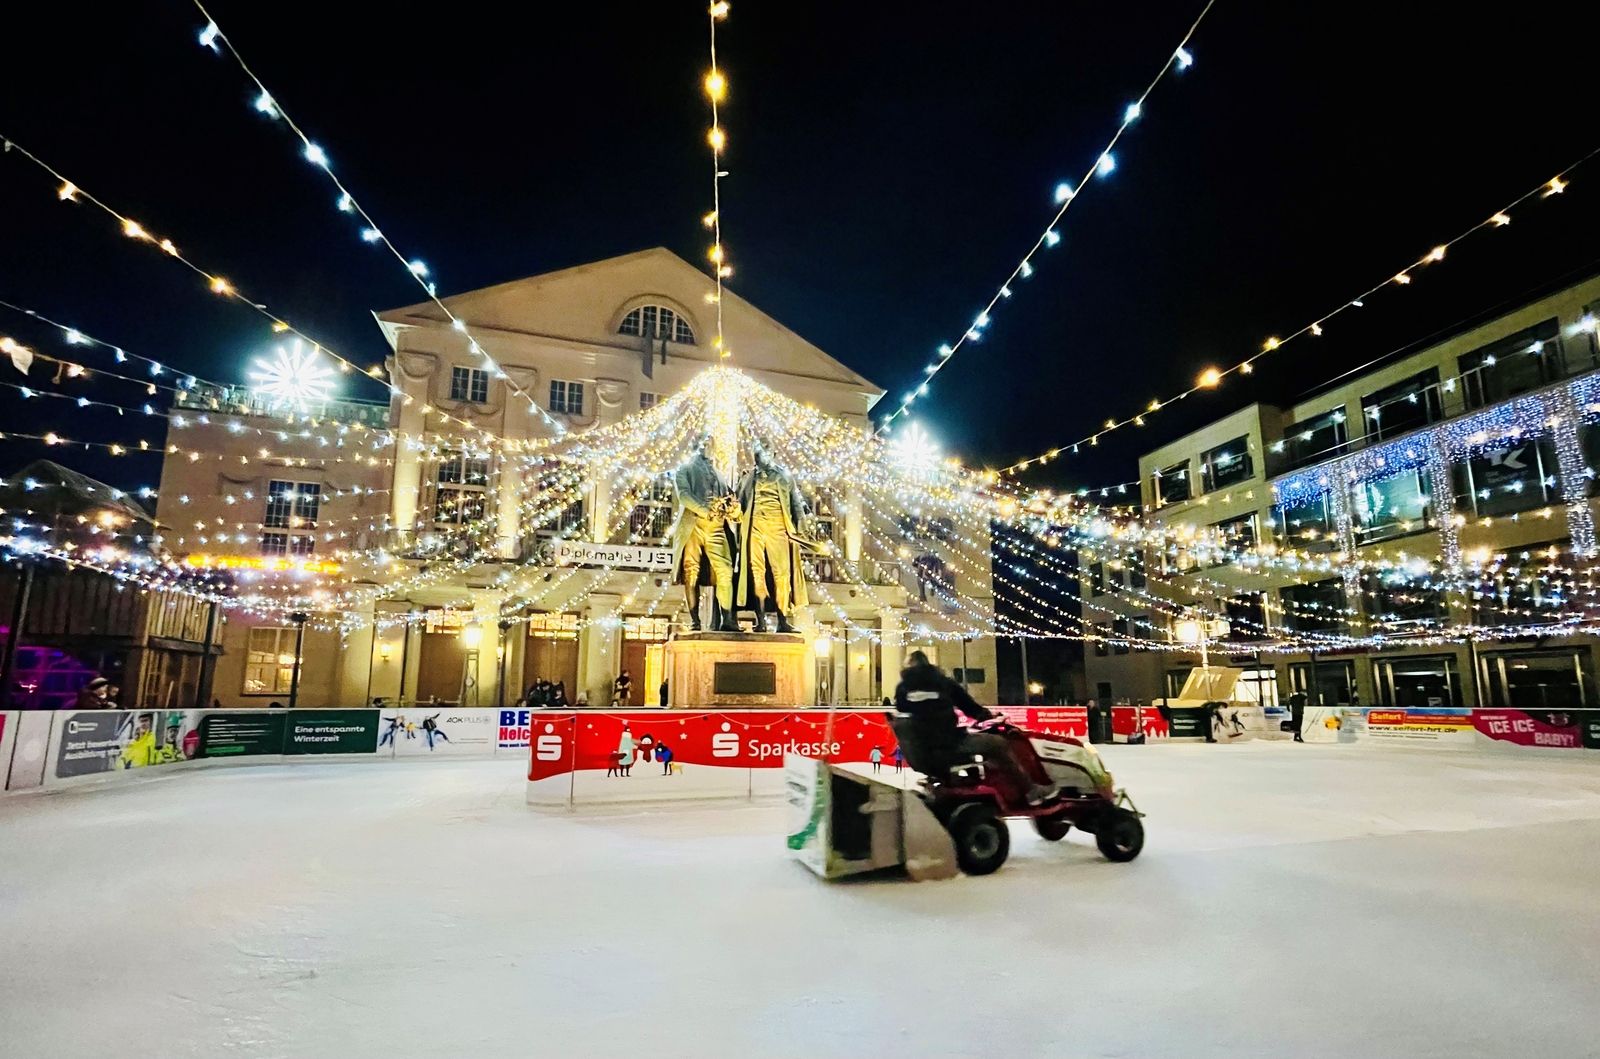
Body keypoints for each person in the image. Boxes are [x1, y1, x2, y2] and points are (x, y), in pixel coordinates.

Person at [892, 650, 1055, 805]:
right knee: (998, 744)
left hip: (920, 753)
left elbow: (903, 712)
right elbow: (970, 707)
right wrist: (987, 716)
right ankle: (1030, 790)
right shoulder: (942, 683)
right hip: (950, 744)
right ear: (928, 665)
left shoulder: (901, 689)